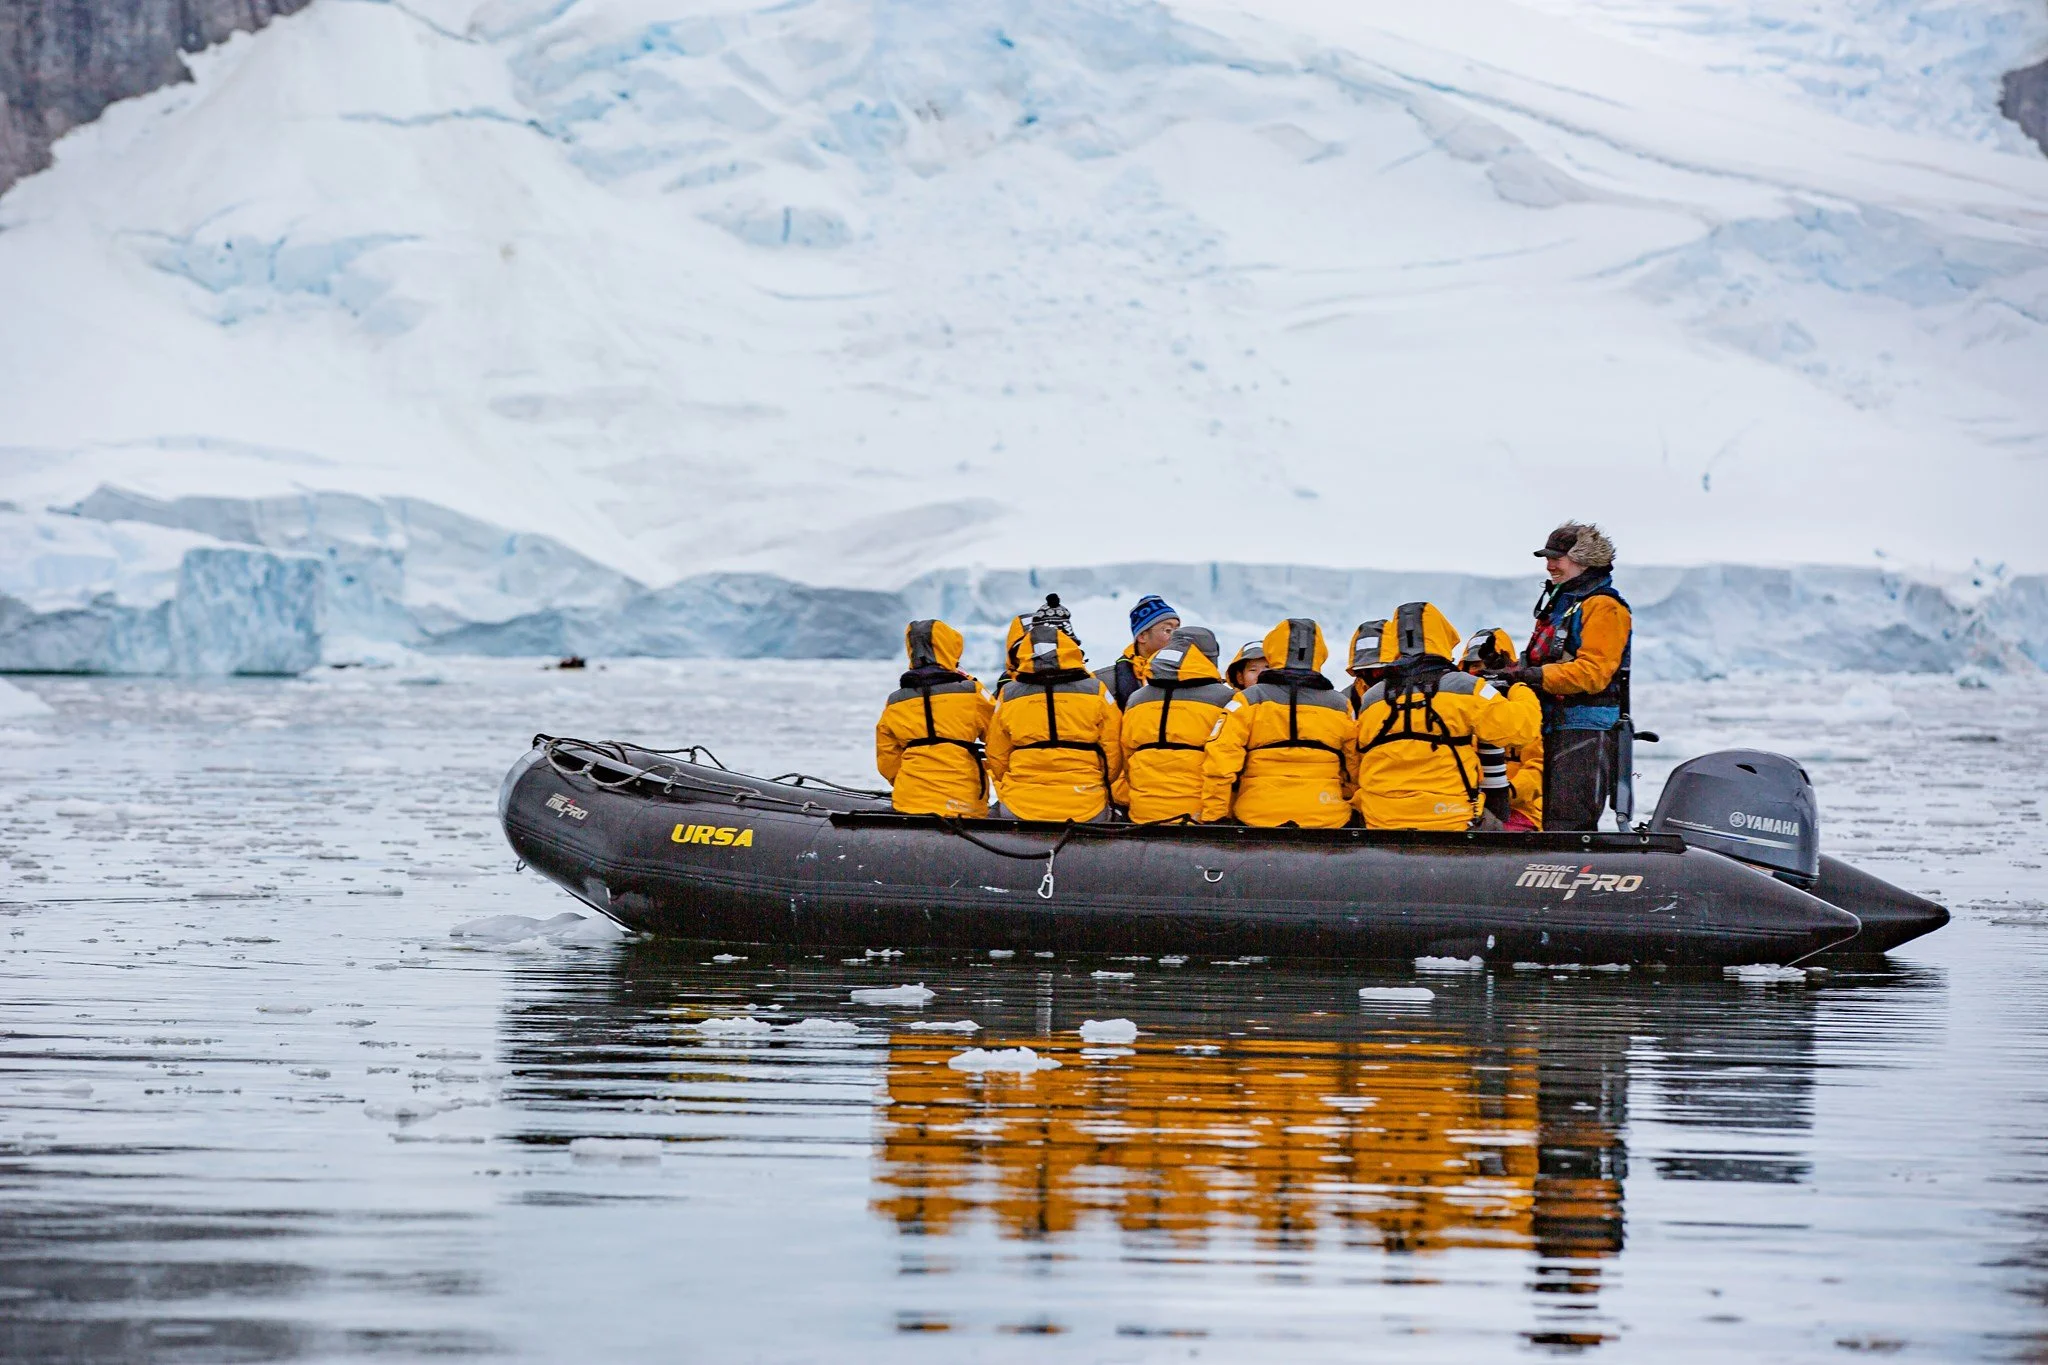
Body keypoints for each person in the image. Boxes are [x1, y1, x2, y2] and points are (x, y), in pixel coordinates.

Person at [1353, 602, 1540, 831]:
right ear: (1442, 636)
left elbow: (1357, 760)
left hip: (1381, 821)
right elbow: (1521, 728)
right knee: (1498, 834)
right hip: (1449, 820)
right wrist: (1518, 686)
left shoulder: (1371, 699)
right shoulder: (1466, 687)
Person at [1505, 523, 1633, 831]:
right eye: (1547, 558)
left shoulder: (1604, 607)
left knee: (1568, 821)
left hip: (1585, 728)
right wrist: (1510, 670)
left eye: (1556, 558)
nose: (1549, 566)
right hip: (1552, 725)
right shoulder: (1564, 604)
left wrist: (1532, 676)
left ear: (1583, 559)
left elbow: (1594, 673)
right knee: (1545, 817)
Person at [1201, 619, 1354, 828]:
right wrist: (1352, 801)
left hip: (1257, 814)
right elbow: (1355, 763)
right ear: (1320, 653)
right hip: (1326, 814)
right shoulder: (1340, 705)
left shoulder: (1248, 700)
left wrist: (1215, 816)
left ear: (1273, 651)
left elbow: (1220, 757)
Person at [986, 597, 1124, 822]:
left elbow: (996, 755)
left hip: (1020, 804)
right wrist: (1098, 781)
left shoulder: (1008, 694)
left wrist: (1015, 782)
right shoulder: (1096, 690)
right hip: (1086, 805)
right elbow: (1113, 751)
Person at [1114, 626, 1236, 823]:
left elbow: (1126, 760)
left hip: (1143, 815)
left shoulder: (1136, 699)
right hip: (1200, 818)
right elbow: (1225, 764)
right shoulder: (1226, 699)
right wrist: (1217, 817)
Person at [875, 619, 994, 816]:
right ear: (951, 648)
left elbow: (887, 759)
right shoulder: (972, 693)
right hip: (963, 801)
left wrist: (907, 782)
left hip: (910, 799)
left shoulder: (896, 701)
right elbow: (999, 742)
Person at [1458, 626, 1544, 831]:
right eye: (1474, 666)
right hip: (1465, 808)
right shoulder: (1456, 711)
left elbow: (1537, 768)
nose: (1481, 672)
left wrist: (1507, 793)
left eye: (1486, 665)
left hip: (1520, 810)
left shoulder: (1524, 710)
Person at [1096, 594, 1181, 709]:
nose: (1176, 636)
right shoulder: (1104, 683)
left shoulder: (1190, 676)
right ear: (1142, 636)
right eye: (1168, 630)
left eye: (1178, 630)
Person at [1341, 619, 1390, 716]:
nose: (1374, 674)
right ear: (1358, 671)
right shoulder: (1344, 702)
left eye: (1379, 669)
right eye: (1367, 670)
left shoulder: (1415, 695)